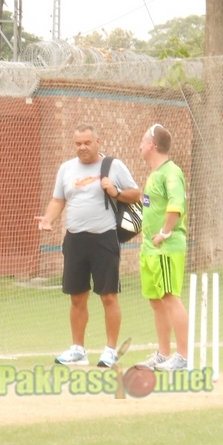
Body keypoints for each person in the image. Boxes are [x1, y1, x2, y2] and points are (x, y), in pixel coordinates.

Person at [35, 124, 142, 367]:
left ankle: (110, 351)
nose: (82, 147)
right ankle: (78, 350)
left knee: (108, 296)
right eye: (78, 143)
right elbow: (57, 200)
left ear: (97, 141)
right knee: (77, 297)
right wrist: (48, 219)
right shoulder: (66, 169)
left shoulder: (113, 166)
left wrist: (115, 192)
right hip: (75, 240)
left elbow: (136, 194)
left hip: (104, 238)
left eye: (87, 143)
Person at [135, 123, 190, 371]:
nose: (140, 145)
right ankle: (163, 353)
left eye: (143, 140)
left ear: (152, 145)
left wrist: (164, 233)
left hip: (166, 247)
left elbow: (176, 205)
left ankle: (183, 356)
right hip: (149, 249)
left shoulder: (171, 172)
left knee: (169, 298)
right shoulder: (154, 174)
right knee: (156, 301)